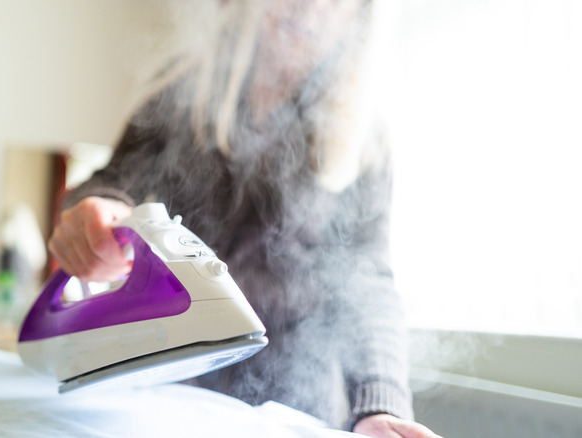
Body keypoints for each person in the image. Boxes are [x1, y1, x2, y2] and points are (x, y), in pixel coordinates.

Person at [49, 1, 441, 436]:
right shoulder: (182, 91)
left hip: (297, 408)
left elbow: (367, 286)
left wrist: (379, 402)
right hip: (176, 397)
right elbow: (111, 183)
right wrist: (94, 217)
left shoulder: (363, 142)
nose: (307, 8)